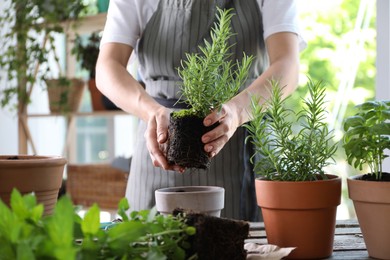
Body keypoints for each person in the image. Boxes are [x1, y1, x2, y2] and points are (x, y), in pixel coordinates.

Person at [96, 0, 306, 221]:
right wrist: (152, 112)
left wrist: (236, 112)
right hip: (162, 142)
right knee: (154, 248)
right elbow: (107, 66)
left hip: (244, 141)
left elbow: (287, 66)